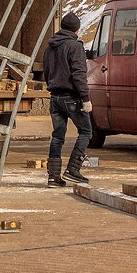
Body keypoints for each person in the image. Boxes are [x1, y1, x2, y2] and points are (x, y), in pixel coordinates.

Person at [42, 12, 93, 187]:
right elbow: (79, 73)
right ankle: (73, 169)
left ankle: (53, 177)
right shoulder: (74, 46)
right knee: (86, 131)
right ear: (76, 29)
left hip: (54, 97)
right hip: (71, 97)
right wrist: (85, 98)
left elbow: (46, 72)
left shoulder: (50, 47)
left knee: (57, 136)